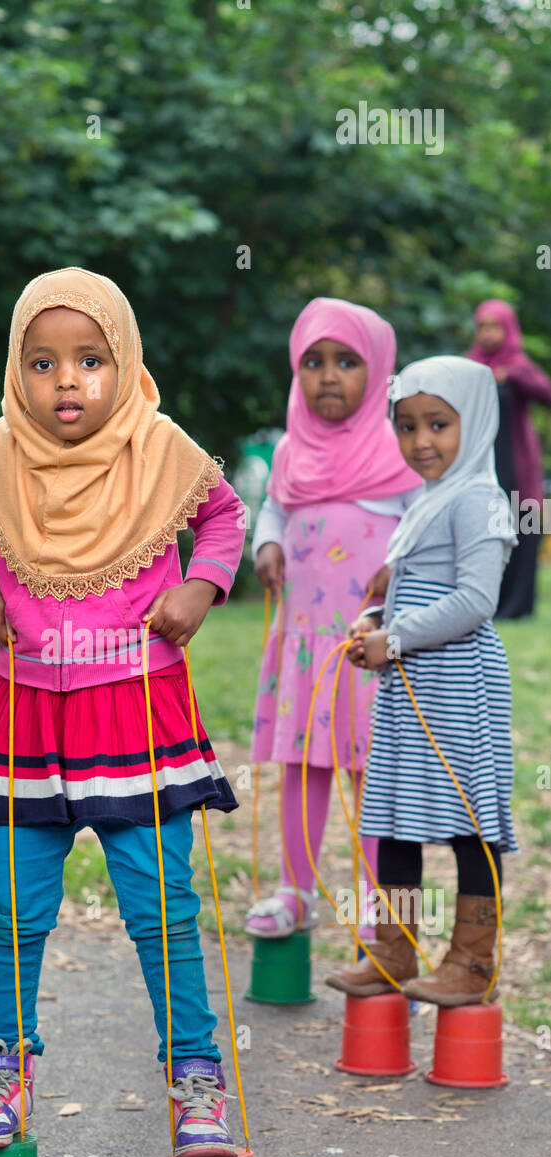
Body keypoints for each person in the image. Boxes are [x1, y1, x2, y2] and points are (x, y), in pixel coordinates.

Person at [0, 267, 243, 1157]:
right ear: (15, 372)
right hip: (27, 717)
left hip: (140, 715)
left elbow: (222, 518)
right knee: (12, 911)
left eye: (90, 360)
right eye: (41, 362)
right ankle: (1, 1071)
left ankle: (195, 1080)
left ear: (124, 362)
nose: (66, 381)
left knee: (164, 908)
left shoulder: (162, 449)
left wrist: (198, 584)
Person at [326, 357, 517, 1005]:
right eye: (406, 427)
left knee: (470, 823)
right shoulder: (429, 500)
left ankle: (471, 960)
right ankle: (392, 946)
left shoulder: (482, 501)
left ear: (476, 421)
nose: (420, 442)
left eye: (437, 424)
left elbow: (474, 602)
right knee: (395, 817)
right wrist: (373, 622)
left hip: (458, 684)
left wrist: (395, 639)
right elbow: (407, 591)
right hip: (410, 685)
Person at [247, 299, 420, 940]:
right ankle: (294, 890)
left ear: (376, 372)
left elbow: (423, 527)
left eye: (347, 362)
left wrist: (398, 568)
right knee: (303, 765)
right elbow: (275, 510)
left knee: (371, 770)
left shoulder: (398, 448)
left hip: (369, 649)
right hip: (303, 648)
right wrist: (266, 544)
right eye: (313, 362)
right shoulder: (292, 448)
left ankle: (378, 901)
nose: (327, 376)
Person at [466, 299, 551, 619]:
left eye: (494, 326)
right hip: (482, 463)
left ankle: (518, 607)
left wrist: (513, 376)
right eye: (481, 326)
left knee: (525, 526)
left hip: (518, 464)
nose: (487, 333)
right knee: (485, 530)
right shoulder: (469, 366)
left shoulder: (519, 364)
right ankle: (486, 603)